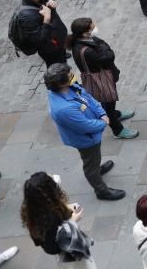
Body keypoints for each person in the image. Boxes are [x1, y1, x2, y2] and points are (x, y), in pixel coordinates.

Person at [21, 171, 116, 269]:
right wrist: (73, 220)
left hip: (58, 253)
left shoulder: (33, 209)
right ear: (48, 193)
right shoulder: (51, 216)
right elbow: (63, 233)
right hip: (70, 252)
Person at [44, 63, 125, 200]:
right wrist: (103, 122)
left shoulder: (69, 87)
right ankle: (101, 191)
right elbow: (85, 126)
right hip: (86, 139)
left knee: (94, 158)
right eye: (70, 75)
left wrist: (101, 113)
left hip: (91, 132)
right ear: (61, 84)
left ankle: (97, 168)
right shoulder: (64, 109)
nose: (73, 76)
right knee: (90, 164)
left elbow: (87, 97)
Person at [68, 17, 138, 140]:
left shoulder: (86, 40)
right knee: (107, 105)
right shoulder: (86, 50)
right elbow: (108, 56)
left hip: (104, 76)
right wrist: (105, 47)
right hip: (101, 81)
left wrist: (103, 46)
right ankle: (118, 130)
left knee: (110, 103)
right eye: (92, 28)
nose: (95, 29)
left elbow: (102, 45)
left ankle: (115, 114)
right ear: (85, 32)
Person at [15, 0, 68, 66]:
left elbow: (52, 17)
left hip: (59, 42)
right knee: (59, 70)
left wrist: (52, 9)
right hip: (51, 50)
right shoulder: (27, 16)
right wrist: (46, 20)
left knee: (62, 61)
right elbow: (39, 40)